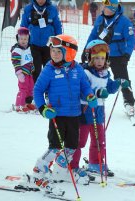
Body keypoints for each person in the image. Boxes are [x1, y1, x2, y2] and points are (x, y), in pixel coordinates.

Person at [31, 35, 97, 193]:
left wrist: (89, 96)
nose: (53, 54)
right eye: (52, 51)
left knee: (71, 147)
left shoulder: (77, 69)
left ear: (69, 53)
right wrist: (43, 108)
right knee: (55, 146)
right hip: (57, 115)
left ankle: (61, 171)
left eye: (58, 51)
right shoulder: (49, 70)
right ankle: (39, 170)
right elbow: (38, 91)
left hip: (74, 114)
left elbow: (85, 87)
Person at [70, 39, 129, 177]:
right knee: (80, 140)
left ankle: (96, 163)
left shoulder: (105, 74)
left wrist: (119, 83)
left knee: (99, 139)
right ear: (89, 58)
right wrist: (96, 93)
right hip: (84, 111)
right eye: (96, 58)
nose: (99, 61)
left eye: (102, 58)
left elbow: (109, 87)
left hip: (98, 111)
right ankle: (72, 165)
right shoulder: (86, 73)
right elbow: (82, 90)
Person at [83, 0, 135, 116]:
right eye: (103, 6)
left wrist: (127, 54)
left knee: (123, 79)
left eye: (105, 6)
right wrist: (85, 50)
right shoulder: (100, 19)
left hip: (118, 56)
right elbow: (93, 35)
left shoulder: (124, 21)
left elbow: (131, 40)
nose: (103, 8)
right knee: (94, 77)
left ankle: (129, 103)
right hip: (100, 55)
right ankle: (91, 98)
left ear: (112, 8)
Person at [21, 0, 62, 83]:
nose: (40, 1)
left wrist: (58, 41)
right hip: (33, 45)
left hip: (49, 46)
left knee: (49, 69)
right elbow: (23, 26)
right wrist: (21, 39)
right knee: (35, 70)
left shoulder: (52, 9)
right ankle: (36, 92)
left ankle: (49, 92)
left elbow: (58, 26)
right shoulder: (28, 9)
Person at [11, 27, 36, 113]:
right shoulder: (17, 50)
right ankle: (19, 105)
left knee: (31, 88)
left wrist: (32, 68)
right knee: (23, 89)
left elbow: (29, 59)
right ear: (18, 38)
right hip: (23, 73)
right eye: (21, 39)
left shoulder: (28, 48)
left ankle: (27, 103)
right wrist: (19, 73)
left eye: (25, 39)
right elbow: (16, 62)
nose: (23, 40)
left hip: (29, 73)